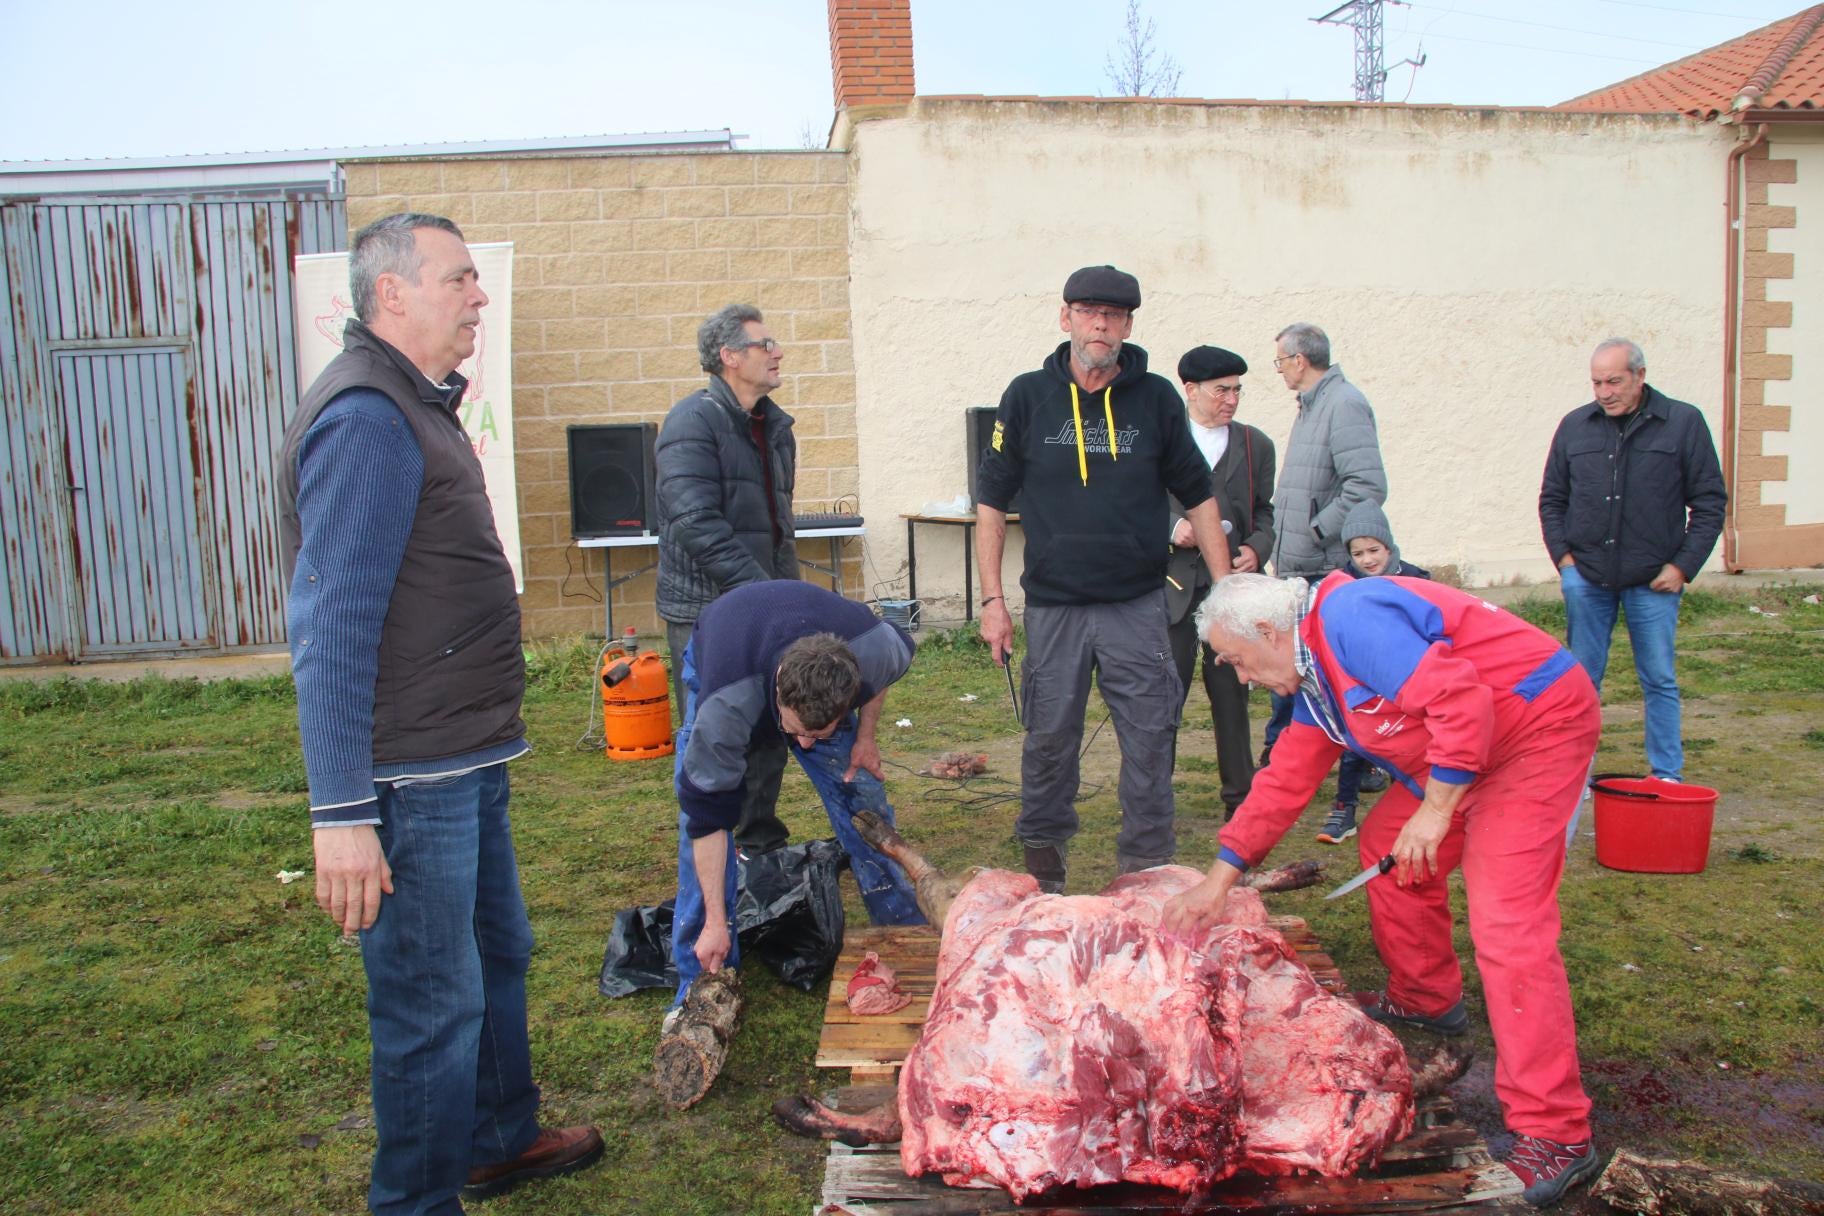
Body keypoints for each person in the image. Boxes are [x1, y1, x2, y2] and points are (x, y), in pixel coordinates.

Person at [278, 213, 601, 1215]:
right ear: (392, 296)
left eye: (475, 278)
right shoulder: (367, 418)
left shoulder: (413, 404)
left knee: (497, 953)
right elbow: (330, 623)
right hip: (410, 772)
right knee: (430, 1005)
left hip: (463, 754)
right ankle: (413, 1200)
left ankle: (496, 1137)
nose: (479, 296)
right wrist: (341, 813)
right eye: (459, 279)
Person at [1160, 573, 1603, 1208]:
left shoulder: (1351, 621)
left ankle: (1558, 1132)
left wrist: (1437, 810)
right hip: (1461, 752)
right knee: (1387, 851)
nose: (1239, 676)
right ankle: (1425, 1000)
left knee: (1508, 925)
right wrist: (1217, 883)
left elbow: (1463, 702)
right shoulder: (1314, 679)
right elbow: (1284, 782)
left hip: (1533, 731)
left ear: (1267, 631)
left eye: (1235, 660)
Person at [974, 265, 1234, 891]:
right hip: (1055, 608)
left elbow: (1200, 499)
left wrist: (1229, 597)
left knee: (1150, 738)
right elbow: (991, 500)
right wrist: (992, 599)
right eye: (1089, 312)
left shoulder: (1156, 401)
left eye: (1114, 315)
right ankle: (1045, 872)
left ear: (1128, 326)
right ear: (1066, 318)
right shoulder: (1026, 397)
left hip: (1137, 605)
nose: (1101, 324)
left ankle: (1146, 872)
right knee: (1049, 741)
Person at [672, 580, 925, 1003]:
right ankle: (702, 976)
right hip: (726, 651)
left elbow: (885, 672)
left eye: (817, 734)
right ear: (779, 691)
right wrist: (717, 919)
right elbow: (707, 819)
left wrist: (864, 737)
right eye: (796, 733)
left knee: (861, 800)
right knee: (697, 821)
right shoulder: (728, 704)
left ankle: (904, 929)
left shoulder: (871, 651)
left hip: (816, 646)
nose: (803, 745)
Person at [1539, 337, 1726, 783]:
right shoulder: (1574, 427)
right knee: (1580, 684)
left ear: (1640, 376)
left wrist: (1682, 567)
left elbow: (1710, 503)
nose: (1605, 392)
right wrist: (1565, 563)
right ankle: (1573, 778)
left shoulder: (1683, 423)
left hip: (1654, 580)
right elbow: (1552, 499)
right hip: (1587, 577)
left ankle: (1666, 775)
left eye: (1615, 381)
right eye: (1597, 382)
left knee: (1659, 680)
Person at [656, 303, 799, 856]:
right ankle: (709, 848)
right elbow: (694, 521)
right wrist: (761, 593)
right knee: (713, 734)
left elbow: (779, 525)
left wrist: (783, 598)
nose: (778, 352)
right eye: (766, 344)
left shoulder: (776, 426)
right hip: (707, 609)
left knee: (768, 726)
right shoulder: (691, 422)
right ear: (729, 356)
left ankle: (758, 843)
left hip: (761, 602)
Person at [1258, 322, 1388, 770]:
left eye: (1280, 361)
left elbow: (1367, 485)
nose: (1278, 370)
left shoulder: (1344, 404)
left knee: (1330, 669)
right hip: (1298, 563)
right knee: (1298, 668)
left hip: (1323, 564)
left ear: (1299, 360)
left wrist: (1316, 532)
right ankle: (1288, 758)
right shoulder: (1313, 405)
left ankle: (1355, 762)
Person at [1165, 345, 1276, 820]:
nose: (1231, 399)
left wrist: (1259, 546)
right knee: (1163, 696)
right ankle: (1154, 796)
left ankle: (1241, 801)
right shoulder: (1164, 441)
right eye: (1221, 390)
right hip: (1171, 591)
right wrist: (1170, 528)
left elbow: (1266, 511)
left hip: (1230, 590)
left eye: (1237, 390)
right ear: (1191, 391)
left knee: (1232, 694)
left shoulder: (1256, 445)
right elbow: (1136, 502)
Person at [1315, 500, 1433, 846]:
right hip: (1364, 682)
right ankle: (1344, 810)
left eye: (1373, 550)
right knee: (1355, 746)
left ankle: (1411, 806)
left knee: (1411, 747)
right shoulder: (1343, 585)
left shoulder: (1415, 580)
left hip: (1409, 680)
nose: (1367, 559)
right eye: (1358, 552)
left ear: (1388, 546)